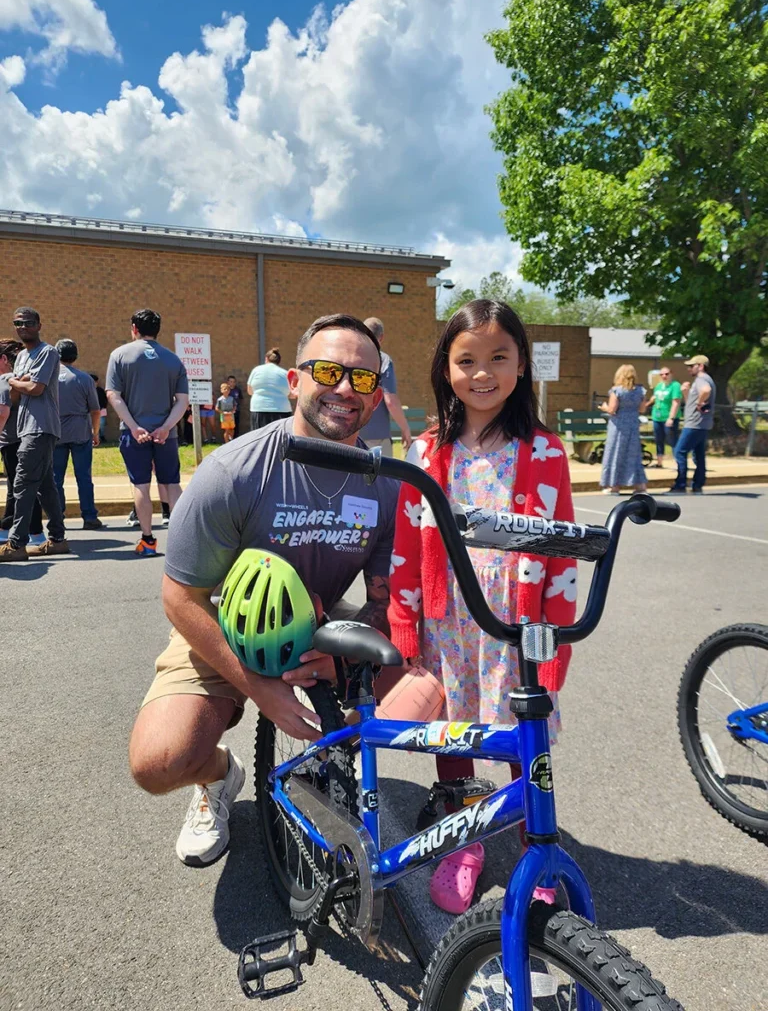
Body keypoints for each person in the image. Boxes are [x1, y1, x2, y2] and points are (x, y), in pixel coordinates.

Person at [127, 313, 398, 867]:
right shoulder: (234, 471)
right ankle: (220, 777)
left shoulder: (386, 482)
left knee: (412, 664)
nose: (346, 389)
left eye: (364, 379)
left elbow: (381, 600)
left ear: (375, 398)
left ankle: (335, 763)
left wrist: (349, 657)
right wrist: (257, 686)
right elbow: (181, 597)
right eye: (328, 371)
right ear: (294, 382)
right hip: (229, 619)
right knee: (158, 764)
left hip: (321, 617)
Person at [388, 298, 577, 914]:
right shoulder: (426, 451)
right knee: (454, 735)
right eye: (467, 359)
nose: (483, 372)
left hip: (516, 623)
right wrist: (406, 619)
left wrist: (553, 643)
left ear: (521, 364)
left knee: (528, 734)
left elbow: (562, 554)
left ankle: (534, 838)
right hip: (449, 620)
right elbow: (407, 545)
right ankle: (462, 837)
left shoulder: (544, 452)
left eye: (499, 356)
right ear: (447, 368)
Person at [106, 308, 189, 556]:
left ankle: (148, 541)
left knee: (141, 484)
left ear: (134, 328)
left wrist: (133, 426)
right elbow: (182, 401)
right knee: (172, 483)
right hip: (167, 434)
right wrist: (165, 427)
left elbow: (113, 395)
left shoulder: (119, 355)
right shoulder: (173, 360)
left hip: (133, 432)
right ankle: (182, 542)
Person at [0, 307, 69, 562]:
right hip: (26, 426)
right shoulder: (20, 358)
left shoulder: (48, 352)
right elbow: (17, 392)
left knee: (22, 483)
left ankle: (16, 544)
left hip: (41, 427)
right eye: (17, 323)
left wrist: (16, 381)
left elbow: (35, 388)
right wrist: (20, 382)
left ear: (39, 325)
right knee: (45, 486)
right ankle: (58, 540)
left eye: (27, 323)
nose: (22, 326)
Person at [53, 339, 103, 530]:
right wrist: (95, 432)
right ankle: (89, 516)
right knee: (84, 477)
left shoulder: (50, 379)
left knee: (56, 478)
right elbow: (95, 410)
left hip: (56, 432)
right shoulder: (85, 379)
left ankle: (57, 517)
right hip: (81, 432)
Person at [0, 337, 45, 545]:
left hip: (12, 440)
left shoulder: (6, 380)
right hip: (26, 437)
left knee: (19, 488)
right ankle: (30, 531)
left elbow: (2, 413)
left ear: (3, 359)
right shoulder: (22, 378)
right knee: (24, 487)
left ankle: (23, 532)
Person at [358, 317, 412, 456]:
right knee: (381, 477)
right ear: (381, 338)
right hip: (377, 436)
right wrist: (405, 428)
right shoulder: (383, 360)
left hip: (351, 433)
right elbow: (390, 400)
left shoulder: (351, 358)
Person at [598, 364, 649, 495]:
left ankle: (614, 486)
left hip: (618, 426)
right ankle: (640, 486)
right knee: (634, 454)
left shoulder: (617, 391)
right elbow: (642, 409)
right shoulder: (640, 391)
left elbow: (612, 409)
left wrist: (604, 407)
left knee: (615, 453)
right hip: (633, 425)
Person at [669, 354, 716, 494]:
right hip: (702, 424)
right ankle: (697, 485)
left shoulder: (702, 379)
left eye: (691, 366)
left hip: (694, 424)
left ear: (700, 366)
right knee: (699, 454)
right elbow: (693, 401)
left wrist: (700, 402)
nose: (689, 369)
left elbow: (706, 391)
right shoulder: (706, 380)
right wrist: (686, 393)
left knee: (679, 452)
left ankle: (680, 485)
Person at [247, 347, 291, 431]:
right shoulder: (285, 373)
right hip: (281, 409)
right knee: (280, 438)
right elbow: (291, 394)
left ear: (266, 359)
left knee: (259, 438)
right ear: (279, 361)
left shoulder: (256, 370)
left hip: (259, 408)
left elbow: (250, 390)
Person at [648, 367, 682, 468]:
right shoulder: (658, 386)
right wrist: (647, 403)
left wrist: (671, 418)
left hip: (669, 417)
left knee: (672, 440)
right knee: (659, 440)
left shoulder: (675, 385)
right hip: (657, 417)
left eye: (666, 374)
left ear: (671, 374)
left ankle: (679, 463)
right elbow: (655, 398)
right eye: (662, 374)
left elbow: (676, 402)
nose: (664, 376)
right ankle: (659, 462)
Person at [90, 373, 108, 442]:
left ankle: (102, 436)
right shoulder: (88, 390)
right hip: (90, 411)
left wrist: (103, 407)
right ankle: (93, 438)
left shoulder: (100, 390)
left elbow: (105, 399)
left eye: (95, 382)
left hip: (101, 410)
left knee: (102, 424)